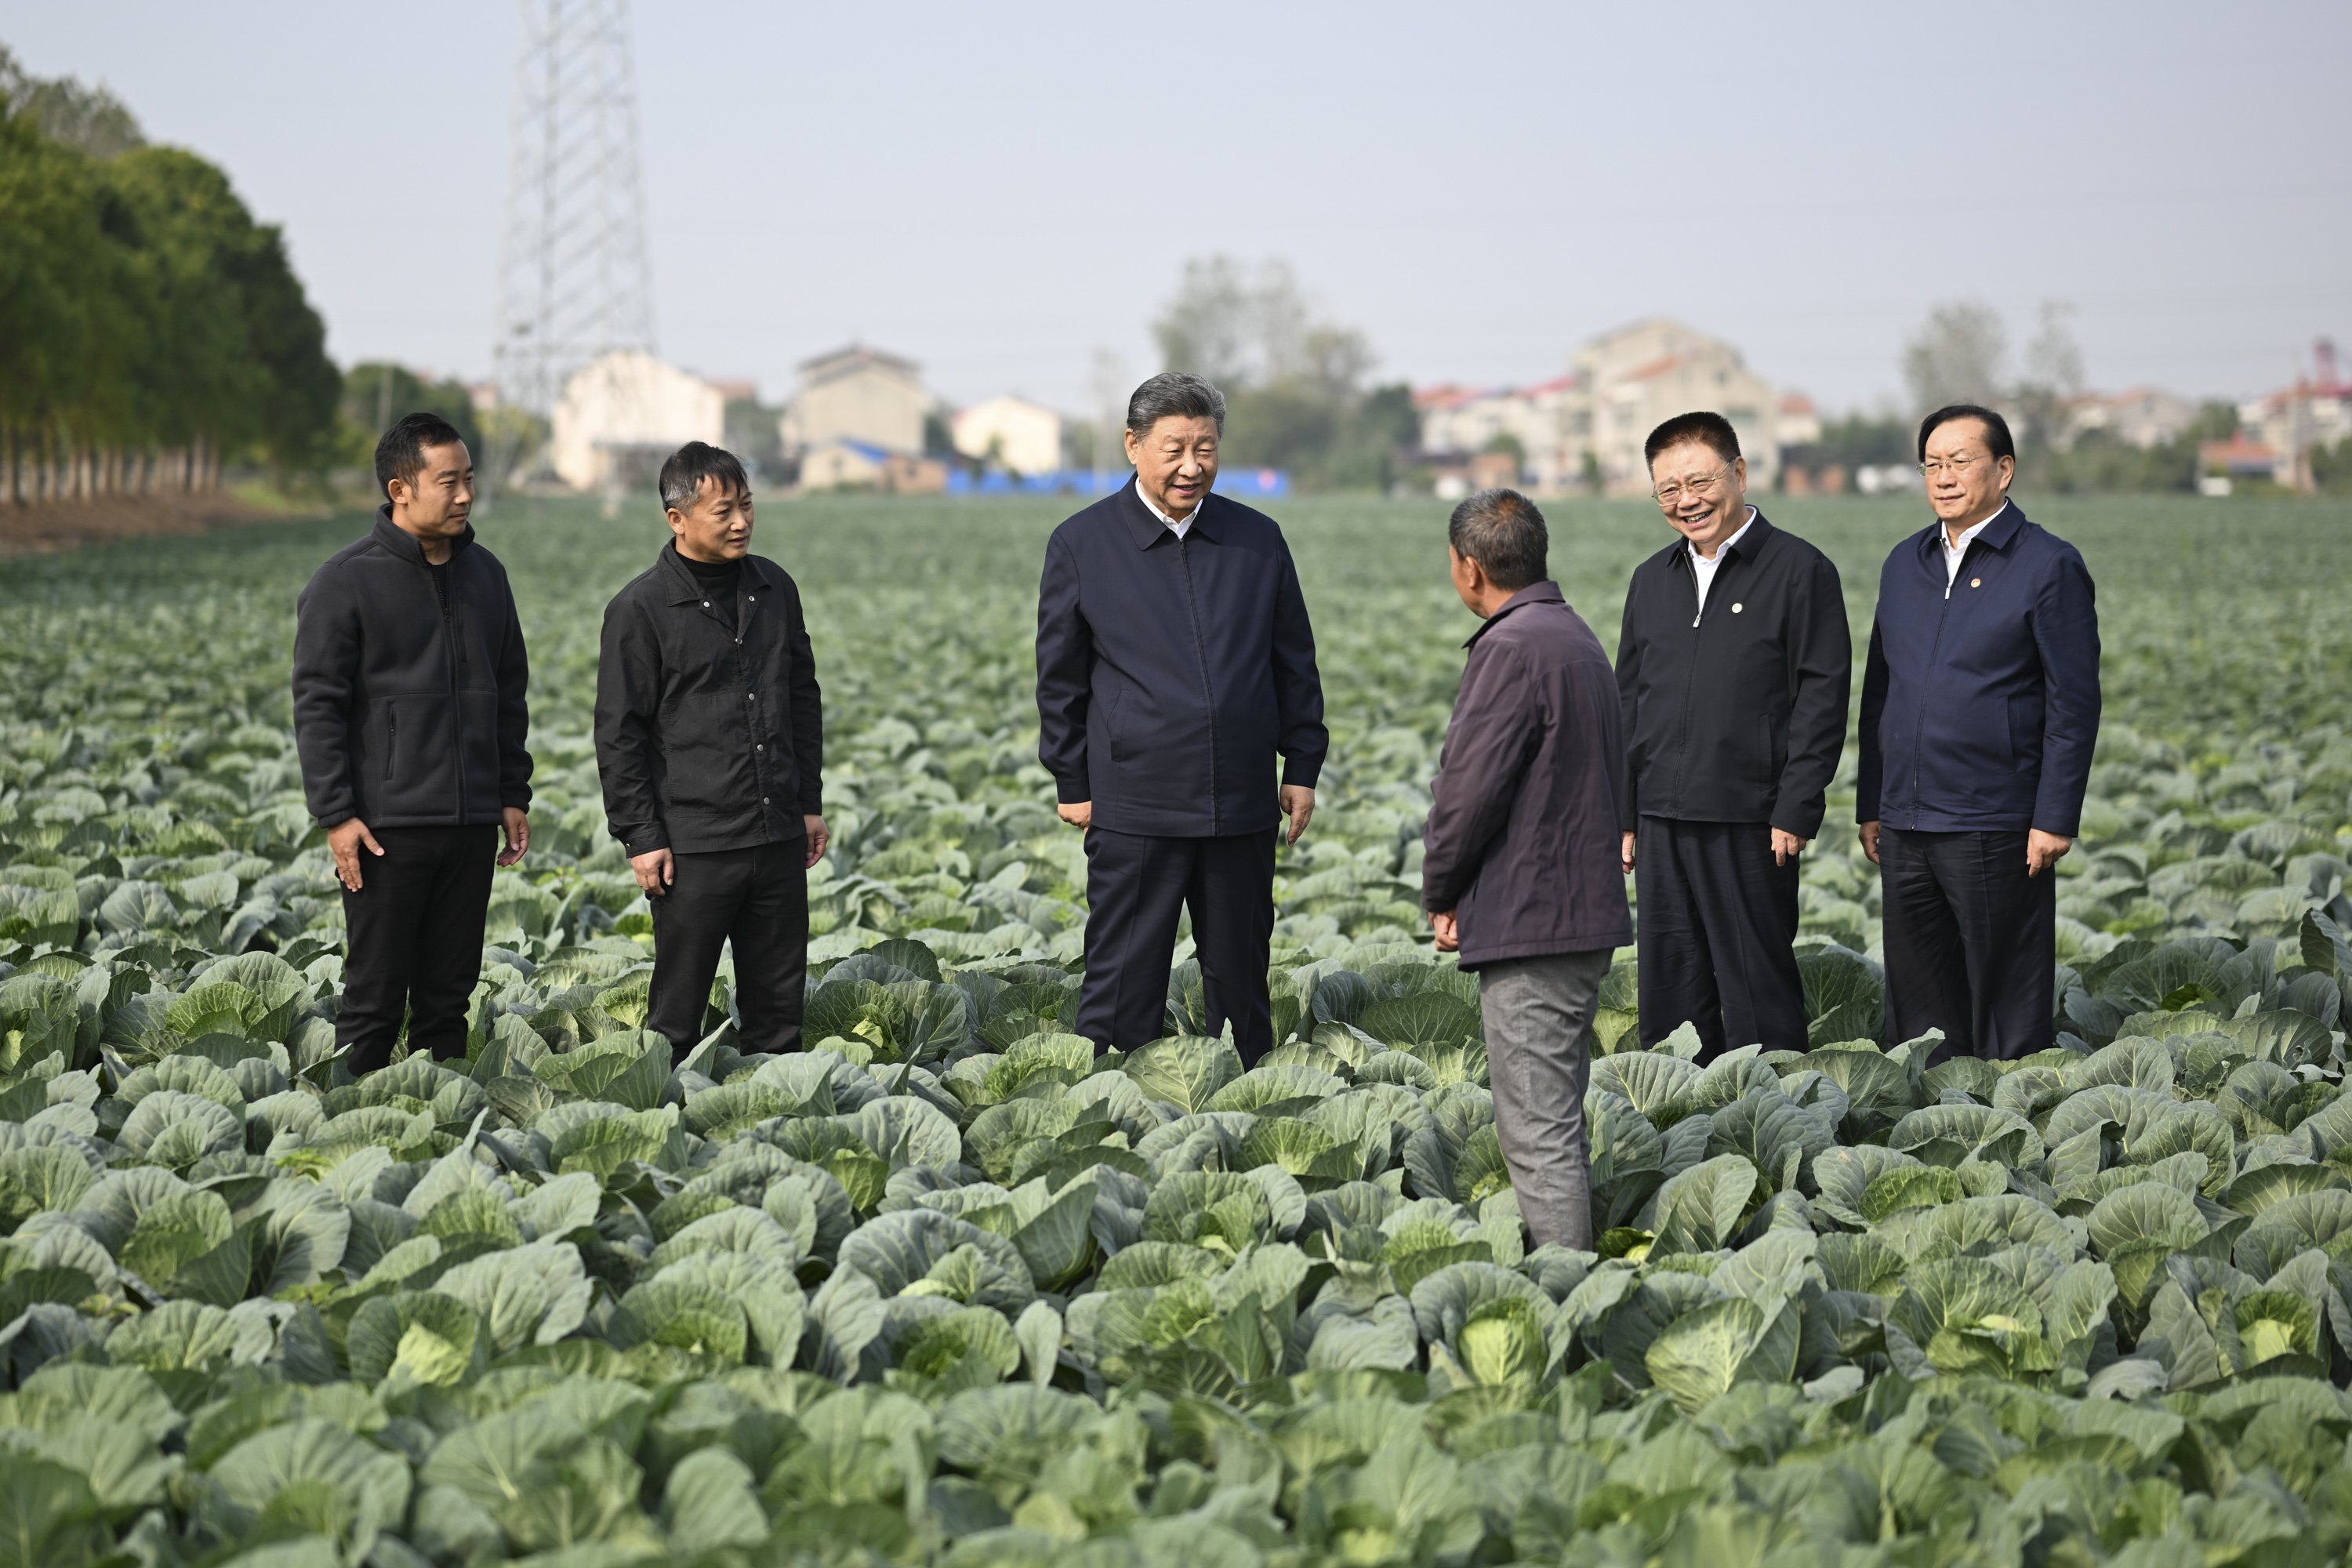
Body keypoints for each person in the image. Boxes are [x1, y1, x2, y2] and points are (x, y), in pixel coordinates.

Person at [1034, 372, 1327, 1063]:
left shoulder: (1257, 540)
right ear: (1134, 446)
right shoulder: (1083, 543)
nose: (1192, 466)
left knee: (1240, 981)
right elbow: (1061, 679)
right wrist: (1071, 781)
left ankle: (1247, 1100)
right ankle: (1115, 1110)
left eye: (1206, 448)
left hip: (1240, 801)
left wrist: (1302, 765)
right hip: (1135, 801)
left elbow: (1294, 662)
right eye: (1174, 449)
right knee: (1122, 983)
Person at [292, 412, 532, 1076]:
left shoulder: (486, 576)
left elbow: (508, 693)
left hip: (469, 824)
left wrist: (512, 792)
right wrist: (337, 814)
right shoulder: (345, 582)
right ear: (401, 489)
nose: (465, 496)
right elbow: (318, 706)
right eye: (448, 482)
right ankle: (347, 1125)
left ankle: (441, 1128)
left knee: (447, 1001)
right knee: (373, 997)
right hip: (385, 830)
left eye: (469, 480)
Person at [1857, 404, 2100, 1061]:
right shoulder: (1904, 563)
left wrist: (2054, 817)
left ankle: (2016, 1119)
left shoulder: (2048, 565)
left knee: (2005, 996)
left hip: (1995, 818)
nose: (1944, 477)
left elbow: (2073, 704)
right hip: (1906, 821)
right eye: (1932, 464)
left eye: (1960, 461)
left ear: (2004, 468)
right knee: (1919, 998)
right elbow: (1881, 689)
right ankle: (1932, 1119)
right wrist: (1872, 803)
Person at [1424, 489, 1632, 1251]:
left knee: (1538, 1133)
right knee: (1557, 1120)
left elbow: (1466, 791)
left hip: (1532, 920)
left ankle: (1567, 1304)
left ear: (1468, 567)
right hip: (1579, 914)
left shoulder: (1510, 647)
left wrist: (1443, 890)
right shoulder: (1573, 635)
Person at [1615, 412, 1850, 1061]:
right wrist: (1624, 810)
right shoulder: (1651, 579)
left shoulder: (1801, 571)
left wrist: (1796, 804)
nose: (1686, 501)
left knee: (1756, 987)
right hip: (1661, 815)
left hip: (1752, 818)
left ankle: (1772, 1118)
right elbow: (1628, 700)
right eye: (1668, 490)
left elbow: (1821, 699)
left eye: (1699, 481)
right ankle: (1677, 1124)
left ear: (1739, 473)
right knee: (1669, 986)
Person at [594, 442, 827, 1061]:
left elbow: (801, 699)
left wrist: (808, 803)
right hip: (694, 841)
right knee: (677, 1013)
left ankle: (774, 1124)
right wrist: (642, 836)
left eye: (747, 506)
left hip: (776, 831)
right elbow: (619, 735)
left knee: (778, 1013)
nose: (742, 522)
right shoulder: (640, 609)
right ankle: (665, 1129)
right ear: (677, 519)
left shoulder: (774, 588)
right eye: (724, 511)